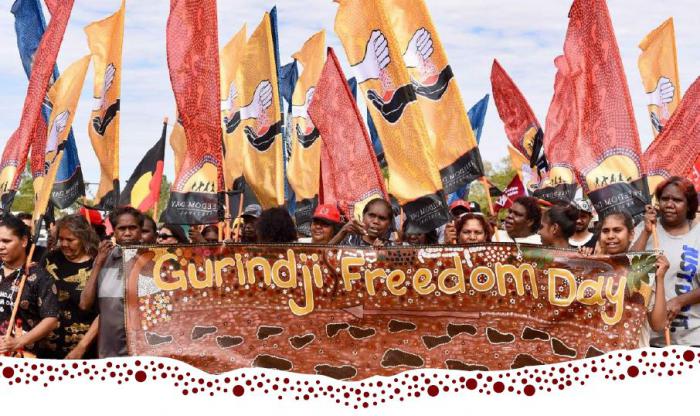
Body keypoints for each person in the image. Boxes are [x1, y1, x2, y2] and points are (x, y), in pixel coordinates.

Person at [632, 176, 700, 346]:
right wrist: (646, 232)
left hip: (691, 338)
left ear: (689, 205)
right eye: (664, 199)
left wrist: (680, 301)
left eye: (677, 200)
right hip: (650, 339)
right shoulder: (646, 228)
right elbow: (627, 268)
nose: (669, 204)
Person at [598, 212, 669, 347]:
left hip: (635, 359)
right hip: (599, 359)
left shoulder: (641, 270)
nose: (611, 236)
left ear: (631, 234)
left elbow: (658, 325)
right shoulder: (591, 270)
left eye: (617, 230)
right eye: (605, 231)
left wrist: (660, 278)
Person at [80, 206, 143, 358]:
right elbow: (84, 304)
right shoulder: (104, 259)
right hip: (110, 352)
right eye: (122, 228)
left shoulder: (154, 261)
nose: (127, 233)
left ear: (140, 230)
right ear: (114, 231)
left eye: (132, 228)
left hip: (144, 351)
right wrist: (98, 264)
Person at [41, 215, 100, 359]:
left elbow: (104, 312)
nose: (64, 244)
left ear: (84, 238)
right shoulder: (50, 258)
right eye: (61, 239)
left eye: (70, 240)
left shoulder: (98, 263)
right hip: (46, 348)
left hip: (84, 351)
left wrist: (82, 347)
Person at [0, 215, 59, 357]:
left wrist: (19, 342)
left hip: (25, 359)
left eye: (6, 241)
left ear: (24, 241)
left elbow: (51, 320)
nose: (1, 246)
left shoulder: (40, 276)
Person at [329, 198, 394, 247]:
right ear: (363, 215)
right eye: (372, 215)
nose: (375, 221)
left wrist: (379, 256)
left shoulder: (392, 248)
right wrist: (342, 231)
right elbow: (322, 258)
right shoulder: (347, 240)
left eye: (382, 218)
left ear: (389, 223)